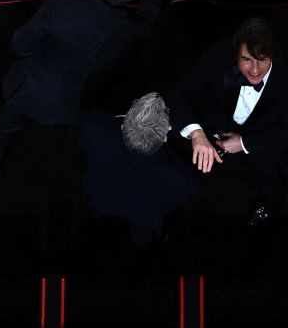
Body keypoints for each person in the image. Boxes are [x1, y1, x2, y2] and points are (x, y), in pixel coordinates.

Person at [0, 0, 168, 182]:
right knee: (75, 140)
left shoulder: (61, 6)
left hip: (28, 90)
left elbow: (20, 45)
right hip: (74, 100)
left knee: (2, 128)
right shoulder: (129, 31)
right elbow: (149, 15)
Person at [165, 18, 288, 226]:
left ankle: (270, 205)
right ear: (235, 54)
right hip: (216, 123)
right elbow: (177, 94)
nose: (255, 70)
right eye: (246, 60)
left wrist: (244, 143)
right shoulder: (217, 55)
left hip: (263, 133)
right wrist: (197, 133)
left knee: (272, 176)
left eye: (262, 60)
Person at [76, 92, 200, 244]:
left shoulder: (92, 131)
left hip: (99, 203)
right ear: (164, 138)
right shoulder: (182, 177)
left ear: (123, 126)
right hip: (141, 223)